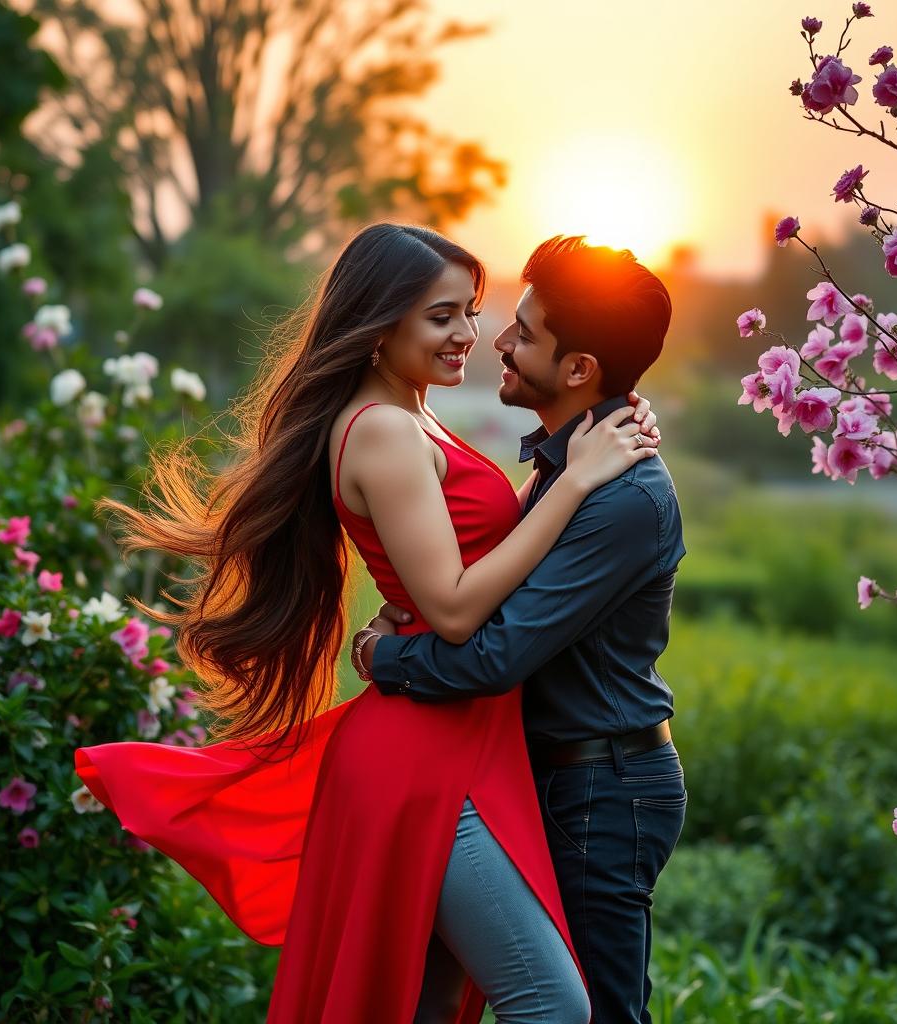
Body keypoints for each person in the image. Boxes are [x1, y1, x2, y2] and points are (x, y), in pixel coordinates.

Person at [73, 223, 663, 1023]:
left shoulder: (413, 416)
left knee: (427, 1003)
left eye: (473, 313)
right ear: (381, 327)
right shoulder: (383, 429)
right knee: (554, 1006)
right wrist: (570, 486)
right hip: (427, 759)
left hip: (465, 746)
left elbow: (458, 572)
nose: (471, 335)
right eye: (443, 316)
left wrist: (594, 438)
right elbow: (456, 610)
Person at [353, 235, 686, 1024]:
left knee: (593, 1012)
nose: (496, 339)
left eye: (524, 332)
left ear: (580, 370)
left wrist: (384, 657)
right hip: (550, 774)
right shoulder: (570, 464)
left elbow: (496, 651)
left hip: (601, 787)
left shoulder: (619, 494)